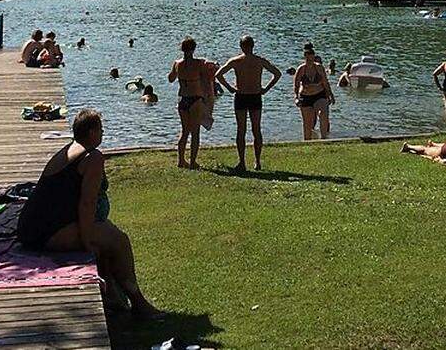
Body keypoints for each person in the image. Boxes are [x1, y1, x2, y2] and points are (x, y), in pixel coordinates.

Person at [16, 110, 160, 318]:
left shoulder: (70, 150)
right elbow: (87, 204)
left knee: (107, 234)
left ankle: (112, 295)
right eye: (101, 129)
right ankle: (139, 303)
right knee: (119, 241)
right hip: (47, 232)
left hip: (31, 228)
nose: (102, 133)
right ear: (92, 132)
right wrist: (86, 242)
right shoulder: (93, 157)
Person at [216, 35, 282, 171]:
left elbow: (218, 74)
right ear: (253, 46)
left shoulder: (236, 61)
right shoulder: (259, 61)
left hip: (241, 96)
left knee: (242, 130)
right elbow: (277, 74)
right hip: (255, 96)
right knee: (256, 129)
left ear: (241, 47)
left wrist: (229, 88)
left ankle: (242, 162)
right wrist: (266, 89)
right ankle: (257, 161)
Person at [168, 36, 207, 169]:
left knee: (184, 131)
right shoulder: (199, 63)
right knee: (195, 132)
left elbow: (171, 79)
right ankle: (193, 162)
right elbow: (207, 78)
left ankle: (181, 160)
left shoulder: (177, 63)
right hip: (195, 98)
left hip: (183, 99)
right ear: (194, 49)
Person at [293, 44, 333, 140]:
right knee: (308, 123)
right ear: (305, 58)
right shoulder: (301, 69)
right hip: (306, 97)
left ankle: (324, 139)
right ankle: (307, 142)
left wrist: (330, 95)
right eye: (308, 59)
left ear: (314, 57)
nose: (310, 61)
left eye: (312, 59)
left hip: (319, 94)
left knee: (323, 113)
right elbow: (296, 85)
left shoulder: (319, 68)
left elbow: (325, 82)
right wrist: (296, 98)